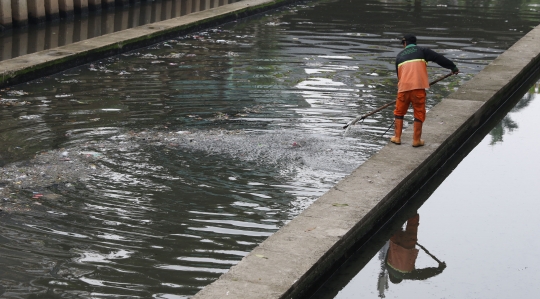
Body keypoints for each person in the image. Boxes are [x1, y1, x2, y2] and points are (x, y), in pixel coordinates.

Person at [391, 34, 459, 147]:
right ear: (415, 43)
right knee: (418, 112)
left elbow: (399, 76)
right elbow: (439, 58)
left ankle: (397, 138)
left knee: (399, 112)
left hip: (403, 88)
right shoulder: (422, 51)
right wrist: (453, 67)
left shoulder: (399, 56)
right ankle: (416, 140)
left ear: (404, 44)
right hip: (418, 88)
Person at [385, 213, 446, 284]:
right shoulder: (387, 266)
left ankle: (412, 210)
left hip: (408, 245)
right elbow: (389, 251)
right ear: (391, 276)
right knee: (395, 222)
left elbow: (423, 274)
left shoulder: (407, 275)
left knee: (412, 223)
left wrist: (438, 270)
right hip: (394, 242)